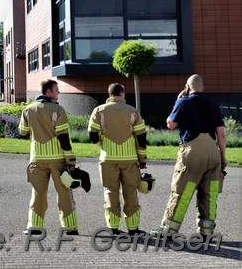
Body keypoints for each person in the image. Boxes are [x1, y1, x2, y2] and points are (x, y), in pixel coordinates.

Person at [151, 74, 226, 238]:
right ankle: (206, 231)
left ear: (187, 86)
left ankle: (169, 230)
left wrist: (176, 104)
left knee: (181, 191)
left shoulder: (183, 102)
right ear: (202, 87)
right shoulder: (213, 104)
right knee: (209, 193)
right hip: (213, 152)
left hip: (192, 151)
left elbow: (170, 124)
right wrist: (223, 157)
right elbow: (221, 135)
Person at [19, 79, 79, 235]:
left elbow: (22, 132)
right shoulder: (58, 110)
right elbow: (64, 138)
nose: (58, 92)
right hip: (58, 159)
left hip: (37, 159)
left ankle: (35, 227)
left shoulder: (28, 109)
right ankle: (70, 227)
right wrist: (71, 159)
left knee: (38, 193)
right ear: (48, 91)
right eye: (56, 89)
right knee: (64, 193)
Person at [88, 83, 148, 235]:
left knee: (110, 191)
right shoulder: (132, 111)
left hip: (107, 159)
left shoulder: (99, 111)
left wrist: (102, 143)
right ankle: (133, 228)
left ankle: (113, 227)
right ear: (121, 93)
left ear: (110, 94)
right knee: (131, 193)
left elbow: (92, 136)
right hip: (129, 160)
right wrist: (142, 159)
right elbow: (141, 138)